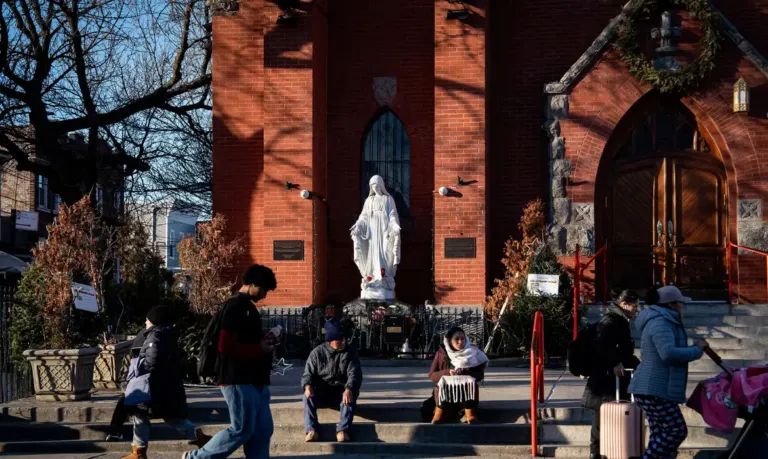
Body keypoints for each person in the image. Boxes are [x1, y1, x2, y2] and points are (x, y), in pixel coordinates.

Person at [184, 264, 278, 459]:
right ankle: (197, 457)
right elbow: (225, 346)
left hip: (254, 378)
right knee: (241, 429)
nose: (264, 295)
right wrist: (260, 348)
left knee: (262, 430)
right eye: (263, 289)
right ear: (252, 284)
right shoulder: (234, 306)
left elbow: (246, 340)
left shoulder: (247, 308)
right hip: (236, 377)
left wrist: (265, 342)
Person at [629, 285, 709, 459]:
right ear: (671, 304)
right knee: (676, 431)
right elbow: (668, 353)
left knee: (660, 433)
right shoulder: (661, 322)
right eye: (681, 303)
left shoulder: (664, 320)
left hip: (653, 388)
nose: (683, 306)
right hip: (655, 389)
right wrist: (696, 350)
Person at [121, 306, 210, 459]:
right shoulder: (167, 334)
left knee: (141, 415)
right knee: (171, 417)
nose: (145, 322)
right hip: (165, 384)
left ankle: (139, 452)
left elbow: (152, 361)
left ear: (155, 320)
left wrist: (138, 367)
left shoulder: (155, 336)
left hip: (153, 385)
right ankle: (199, 437)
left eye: (148, 319)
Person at [582, 290, 641, 459]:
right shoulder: (611, 320)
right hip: (605, 378)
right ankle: (596, 453)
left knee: (605, 415)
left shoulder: (619, 320)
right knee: (601, 415)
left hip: (611, 377)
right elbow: (601, 344)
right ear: (624, 305)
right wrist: (615, 362)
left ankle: (607, 451)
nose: (637, 310)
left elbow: (622, 350)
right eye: (635, 306)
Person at [301, 318, 363, 443]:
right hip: (322, 392)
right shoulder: (317, 353)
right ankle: (312, 430)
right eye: (339, 340)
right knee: (307, 397)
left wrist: (349, 388)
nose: (343, 341)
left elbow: (355, 374)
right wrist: (307, 386)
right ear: (330, 341)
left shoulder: (350, 353)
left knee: (349, 394)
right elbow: (307, 374)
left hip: (341, 392)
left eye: (344, 338)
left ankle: (342, 430)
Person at [428, 327, 488, 424]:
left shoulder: (473, 352)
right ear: (450, 340)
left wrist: (466, 373)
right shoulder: (441, 353)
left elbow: (480, 375)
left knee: (469, 383)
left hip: (465, 395)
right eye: (456, 339)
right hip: (445, 394)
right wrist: (447, 372)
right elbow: (432, 375)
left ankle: (470, 414)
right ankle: (439, 414)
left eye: (462, 338)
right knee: (442, 386)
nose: (460, 342)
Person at [106, 327, 151, 442]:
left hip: (155, 387)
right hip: (141, 386)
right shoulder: (142, 337)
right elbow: (125, 376)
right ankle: (115, 431)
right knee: (127, 400)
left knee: (134, 402)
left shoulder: (159, 338)